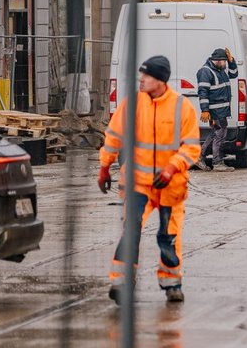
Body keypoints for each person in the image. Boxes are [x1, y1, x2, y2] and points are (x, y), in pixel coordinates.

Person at [98, 55, 201, 304]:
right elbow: (113, 136)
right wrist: (104, 165)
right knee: (130, 231)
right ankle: (121, 282)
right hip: (138, 182)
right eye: (141, 74)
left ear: (161, 79)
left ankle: (171, 283)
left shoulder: (181, 107)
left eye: (148, 75)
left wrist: (171, 169)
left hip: (170, 185)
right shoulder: (132, 104)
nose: (141, 79)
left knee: (168, 235)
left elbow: (191, 148)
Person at [196, 47, 238, 172]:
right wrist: (205, 110)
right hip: (215, 111)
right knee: (219, 135)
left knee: (216, 134)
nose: (225, 64)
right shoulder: (206, 72)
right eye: (224, 61)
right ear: (218, 60)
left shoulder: (220, 70)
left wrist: (232, 61)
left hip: (221, 110)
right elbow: (202, 92)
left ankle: (199, 157)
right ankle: (217, 162)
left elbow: (234, 74)